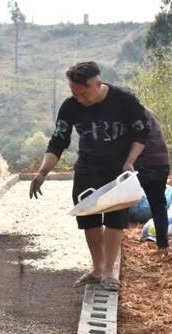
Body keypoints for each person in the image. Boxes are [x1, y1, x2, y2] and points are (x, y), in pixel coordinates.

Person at [29, 61, 149, 291]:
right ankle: (97, 268)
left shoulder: (123, 99)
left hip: (118, 168)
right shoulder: (70, 106)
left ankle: (108, 272)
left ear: (98, 83)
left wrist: (130, 161)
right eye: (75, 94)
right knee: (88, 217)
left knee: (115, 219)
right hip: (87, 166)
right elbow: (58, 141)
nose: (80, 99)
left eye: (83, 94)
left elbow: (142, 132)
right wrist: (43, 172)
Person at [135, 108, 171, 253]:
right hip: (161, 162)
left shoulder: (130, 114)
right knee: (159, 205)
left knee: (120, 205)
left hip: (143, 164)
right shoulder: (148, 112)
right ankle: (163, 246)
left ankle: (117, 243)